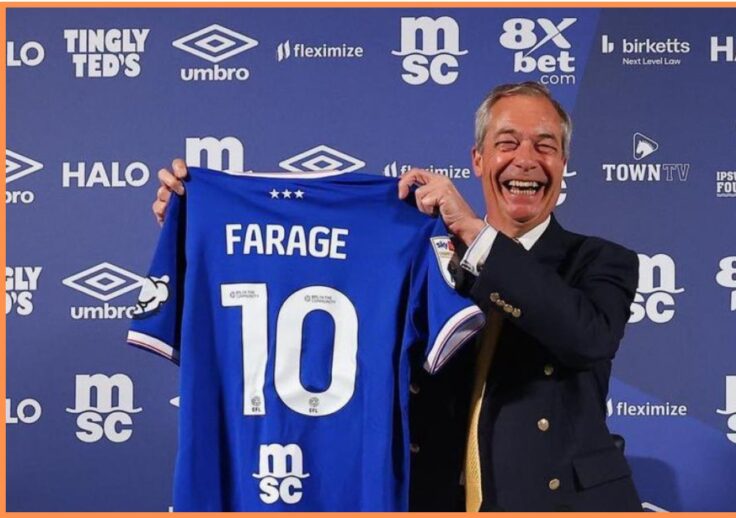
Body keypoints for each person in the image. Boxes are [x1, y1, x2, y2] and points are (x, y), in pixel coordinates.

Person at [152, 81, 642, 512]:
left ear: (564, 163)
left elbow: (584, 336)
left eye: (546, 146)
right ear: (478, 158)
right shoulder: (427, 254)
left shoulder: (603, 261)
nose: (526, 161)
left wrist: (477, 236)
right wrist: (203, 235)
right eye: (507, 143)